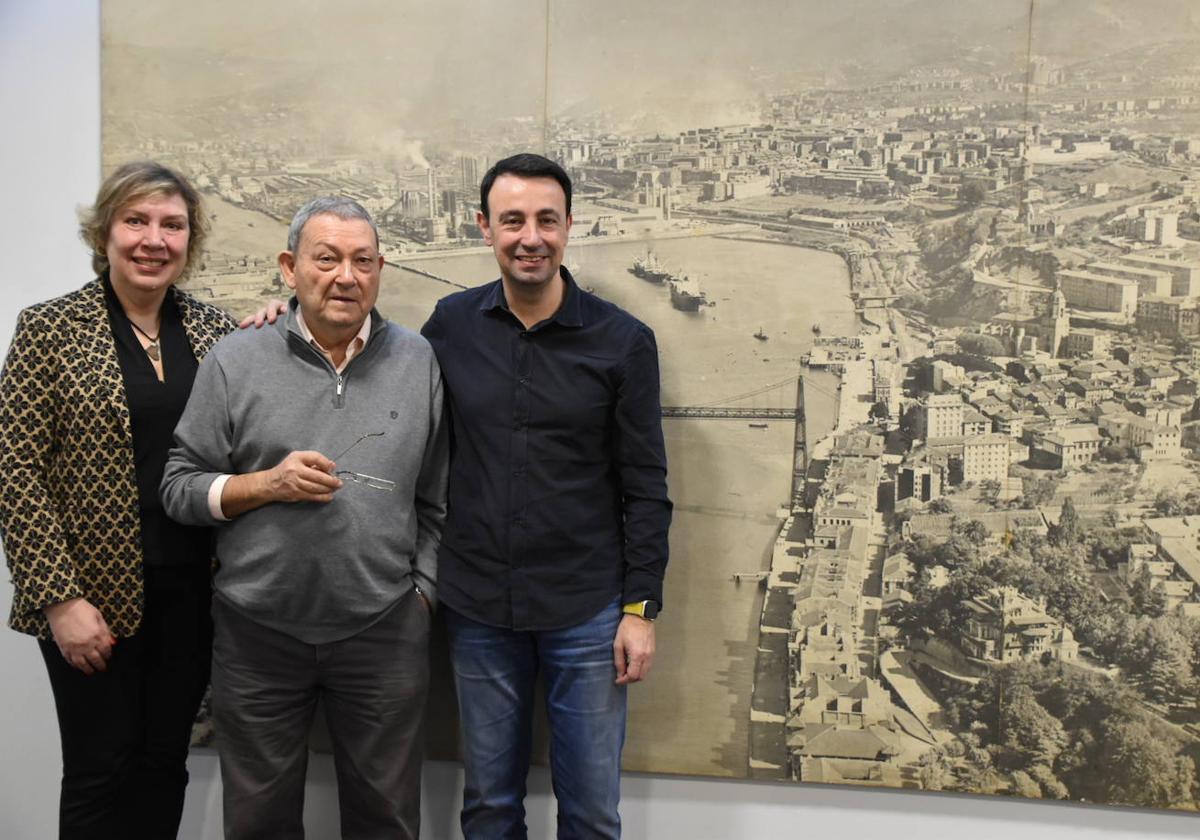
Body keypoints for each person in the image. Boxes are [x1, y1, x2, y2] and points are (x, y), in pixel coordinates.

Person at [161, 195, 448, 840]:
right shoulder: (235, 359)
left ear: (380, 270)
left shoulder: (417, 360)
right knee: (259, 822)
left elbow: (438, 499)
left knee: (388, 820)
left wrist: (421, 595)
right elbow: (179, 488)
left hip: (384, 634)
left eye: (363, 261)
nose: (346, 276)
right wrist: (265, 483)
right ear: (290, 268)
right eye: (326, 259)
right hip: (255, 636)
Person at [421, 153, 672, 839]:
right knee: (488, 808)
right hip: (477, 606)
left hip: (587, 610)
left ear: (568, 227)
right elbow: (380, 384)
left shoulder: (623, 343)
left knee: (591, 815)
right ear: (484, 228)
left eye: (545, 220)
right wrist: (289, 313)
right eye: (512, 221)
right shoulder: (449, 326)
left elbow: (646, 488)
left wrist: (641, 610)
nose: (529, 237)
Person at [0, 161, 240, 838]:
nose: (153, 240)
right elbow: (14, 467)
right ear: (105, 231)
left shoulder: (217, 334)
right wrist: (59, 598)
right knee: (99, 771)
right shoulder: (49, 329)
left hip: (193, 592)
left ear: (188, 243)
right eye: (136, 220)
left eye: (172, 225)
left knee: (164, 765)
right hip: (89, 598)